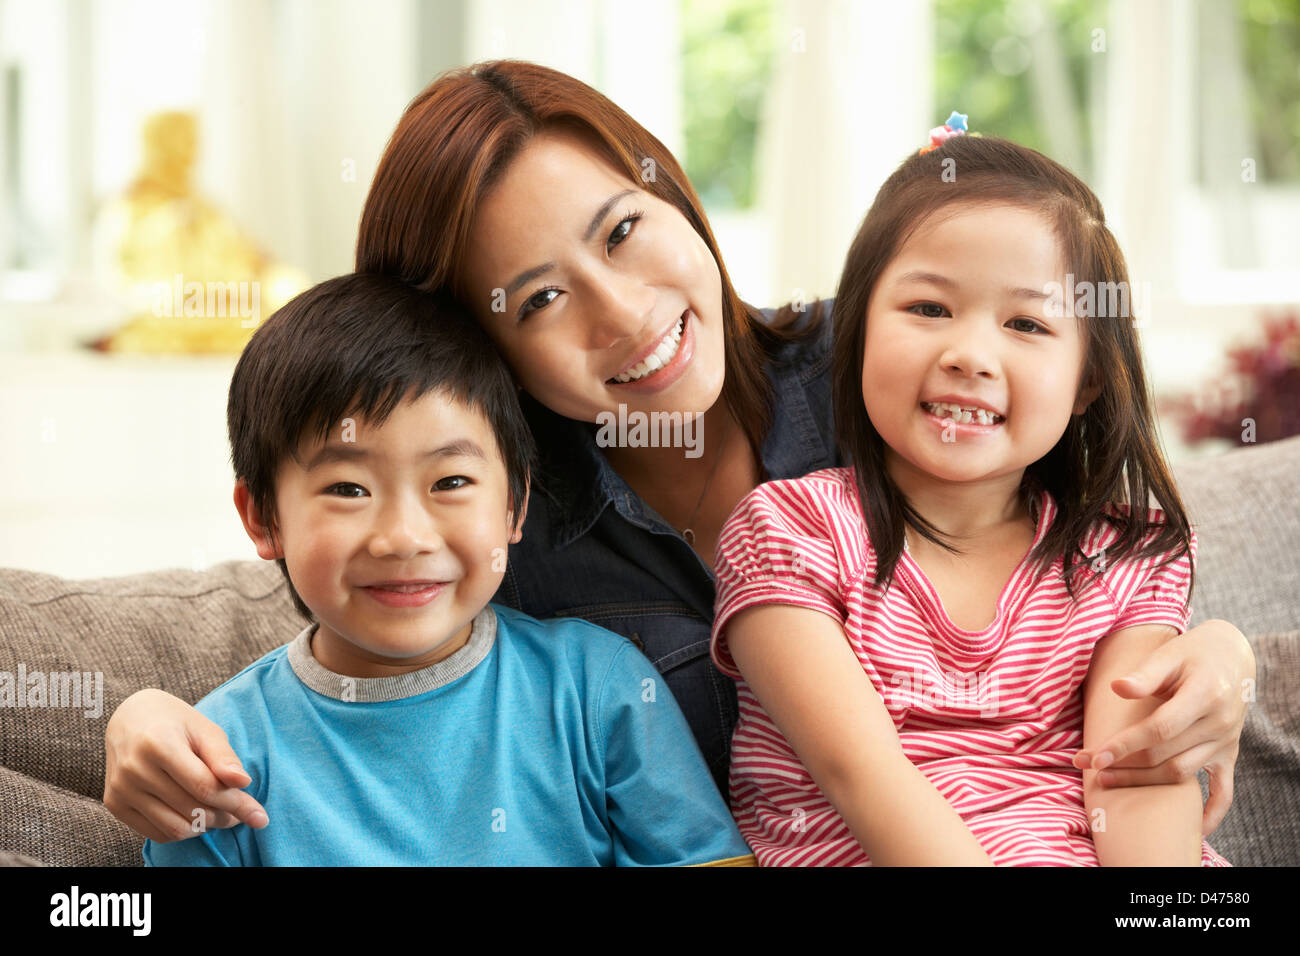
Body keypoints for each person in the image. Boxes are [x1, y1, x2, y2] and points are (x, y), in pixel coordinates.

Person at [104, 61, 1254, 849]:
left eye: (623, 231)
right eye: (542, 295)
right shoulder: (516, 534)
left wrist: (1215, 657)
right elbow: (348, 628)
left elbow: (1096, 552)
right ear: (480, 348)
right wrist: (141, 715)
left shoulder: (882, 372)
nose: (624, 312)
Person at [710, 127, 1230, 865]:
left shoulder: (1123, 557)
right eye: (929, 309)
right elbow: (861, 774)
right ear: (855, 334)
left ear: (1087, 381)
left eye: (1026, 323)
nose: (969, 355)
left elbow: (1136, 777)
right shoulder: (789, 532)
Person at [144, 273, 754, 866]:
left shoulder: (600, 690)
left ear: (514, 503)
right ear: (264, 518)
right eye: (349, 488)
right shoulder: (217, 756)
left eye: (451, 481)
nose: (404, 537)